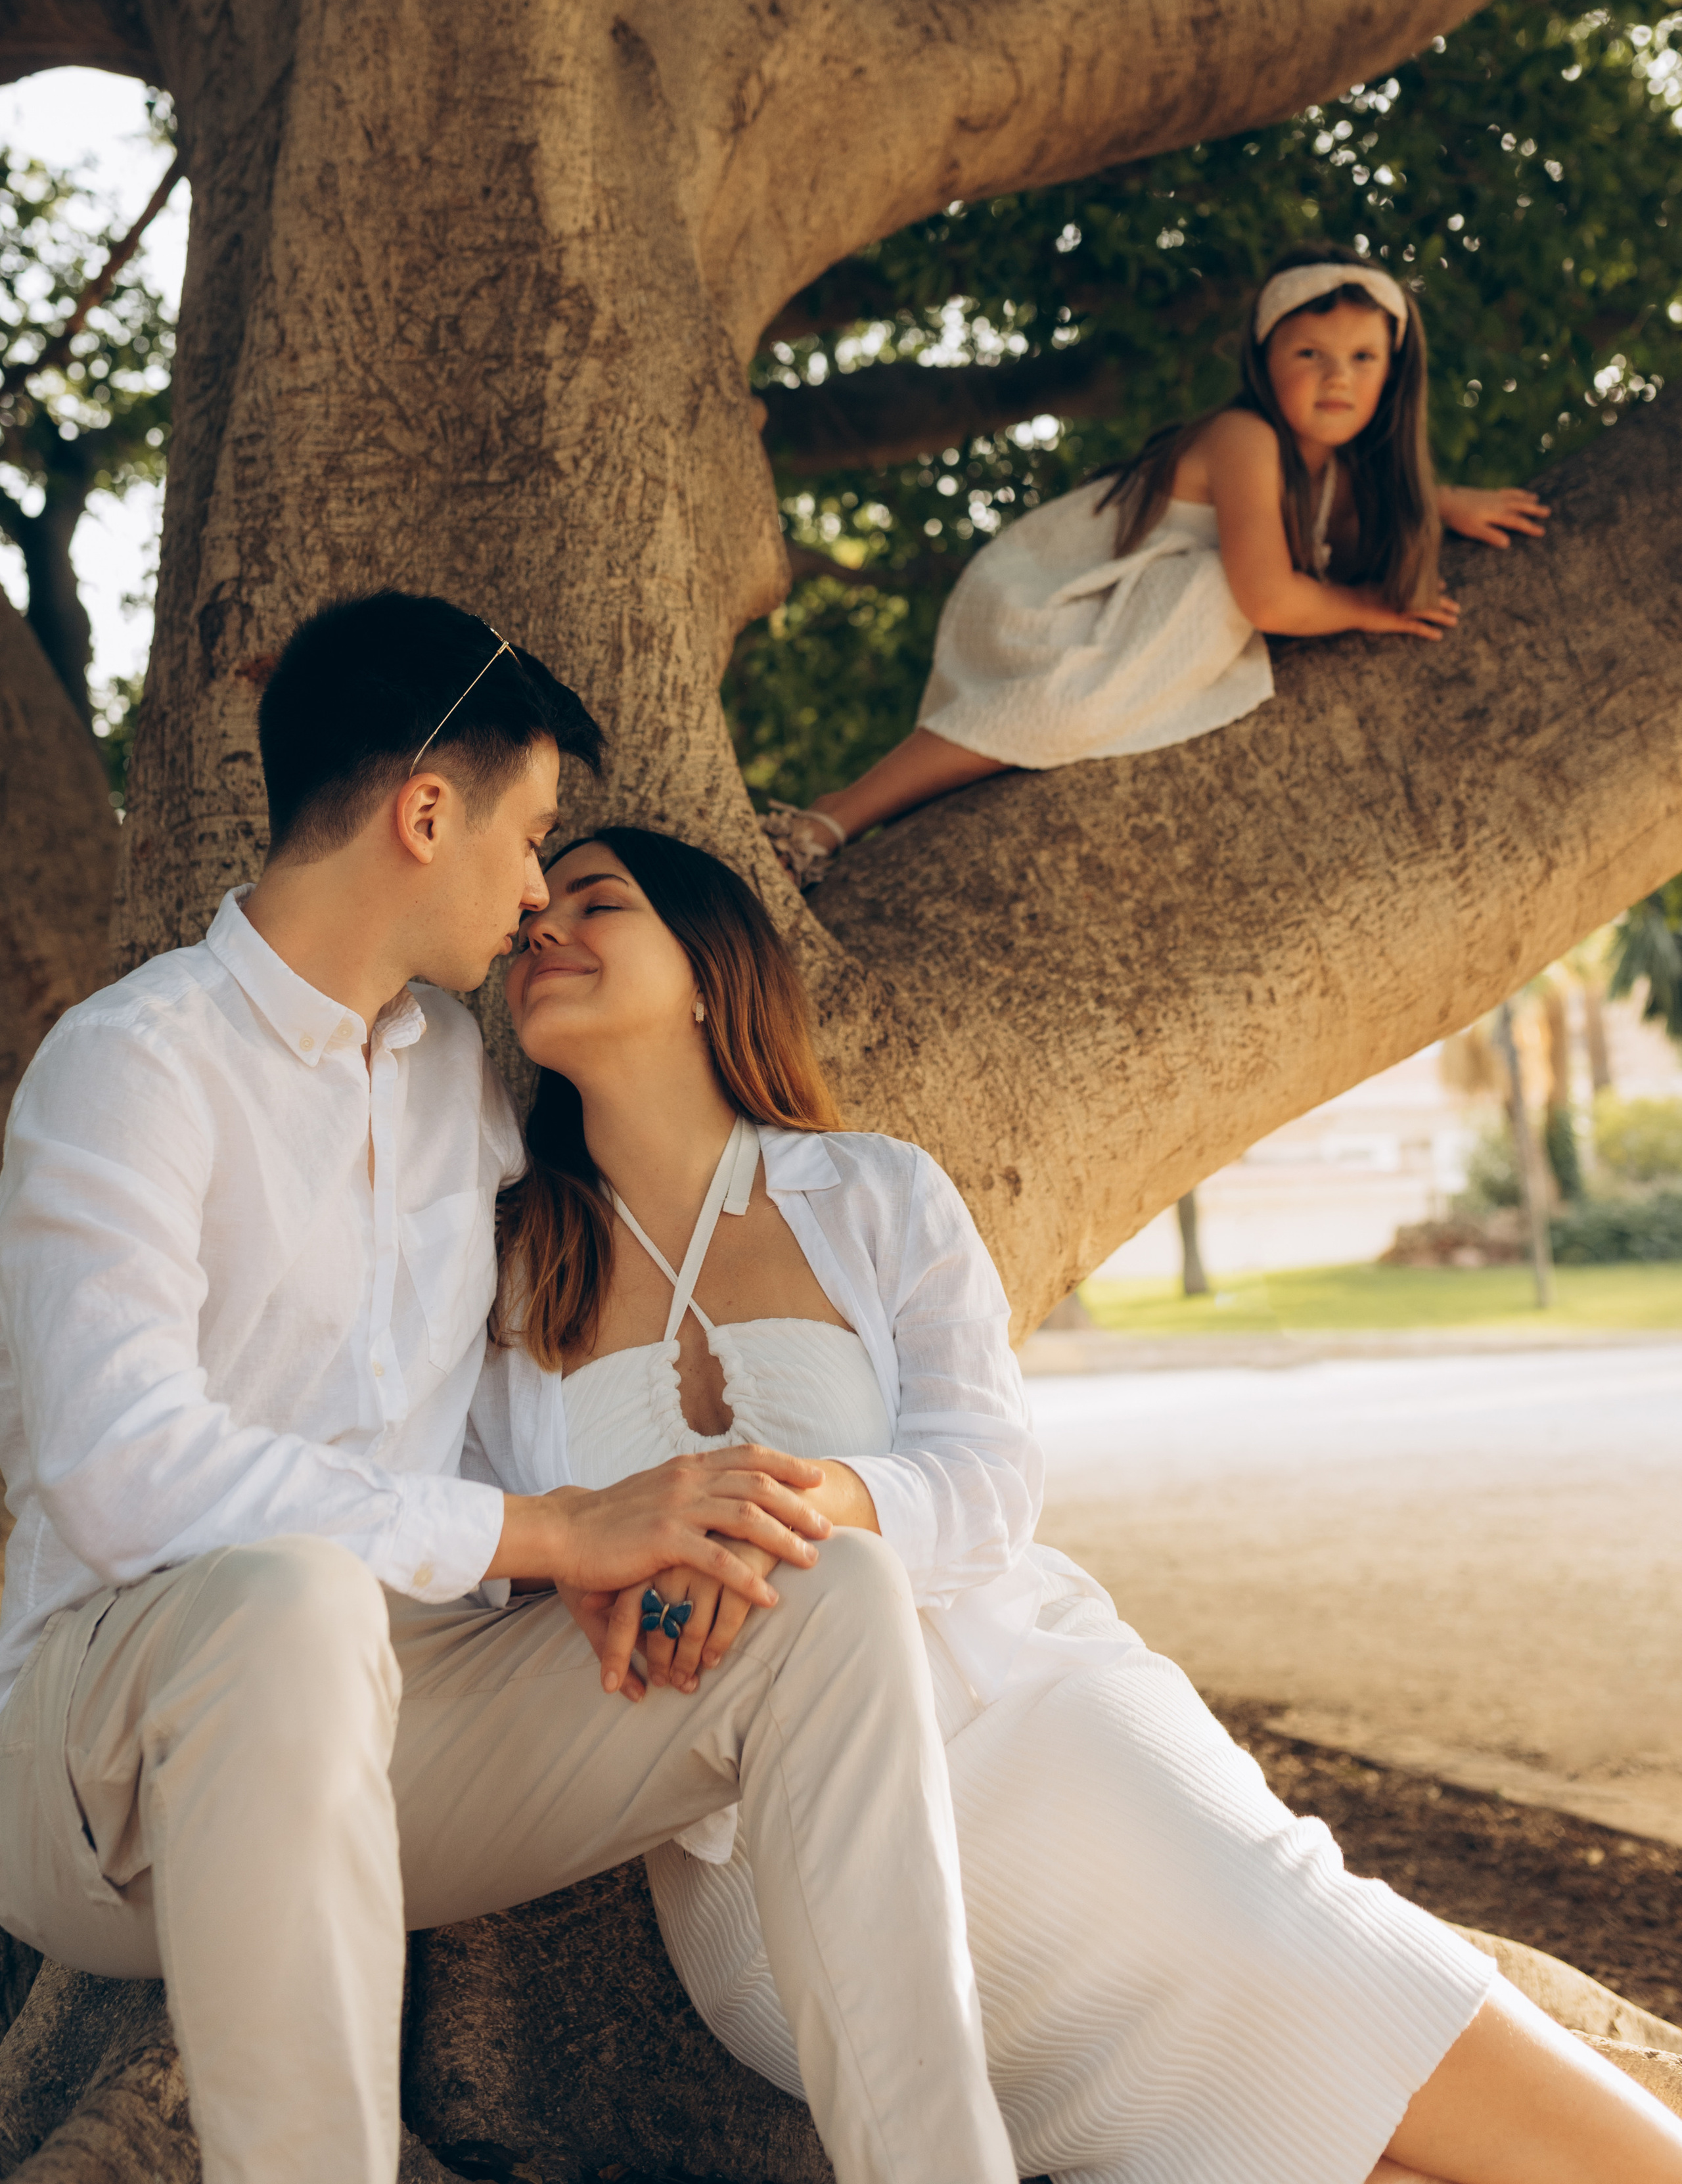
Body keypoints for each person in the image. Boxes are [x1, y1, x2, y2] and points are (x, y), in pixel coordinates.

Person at [474, 823, 1682, 2184]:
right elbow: (473, 1567)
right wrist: (597, 1559)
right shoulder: (501, 1275)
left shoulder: (871, 1194)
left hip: (1038, 1737)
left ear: (706, 970)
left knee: (1351, 2010)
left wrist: (819, 1499)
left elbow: (990, 1474)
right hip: (755, 1865)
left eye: (596, 902)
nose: (545, 932)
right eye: (529, 921)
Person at [0, 593, 1020, 2184]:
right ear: (425, 812)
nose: (539, 884)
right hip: (101, 1755)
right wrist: (550, 1534)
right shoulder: (130, 1066)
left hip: (410, 1718)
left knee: (822, 1589)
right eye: (532, 831)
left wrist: (607, 1570)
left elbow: (488, 1402)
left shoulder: (454, 1084)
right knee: (292, 1602)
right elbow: (122, 1470)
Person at [761, 242, 1549, 886]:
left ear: (1394, 370)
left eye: (1362, 357)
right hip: (1042, 604)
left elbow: (1360, 513)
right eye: (1309, 352)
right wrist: (1371, 610)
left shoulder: (1338, 479)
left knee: (1210, 595)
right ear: (1263, 359)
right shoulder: (1246, 439)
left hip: (1120, 616)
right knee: (1208, 598)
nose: (1337, 375)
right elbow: (1271, 598)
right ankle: (834, 814)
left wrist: (1441, 501)